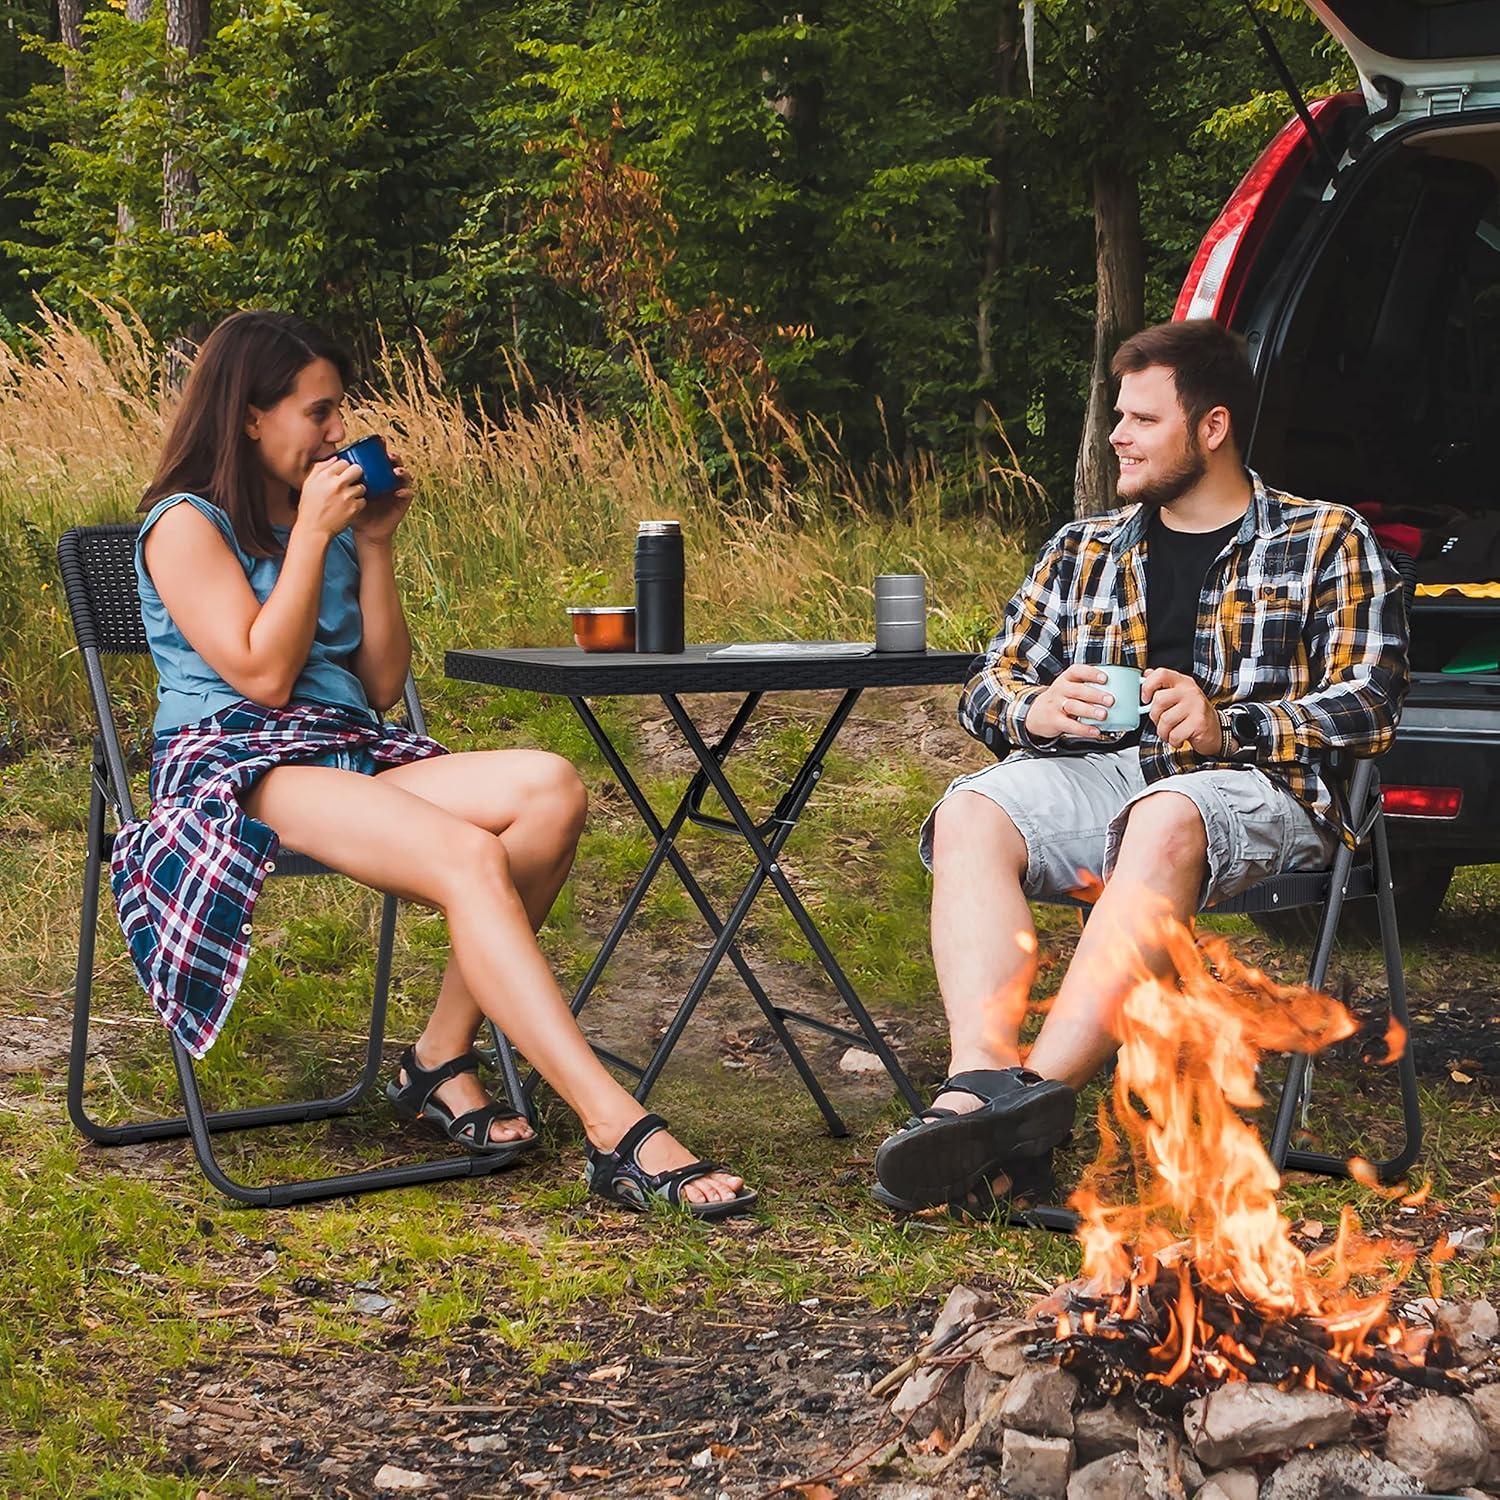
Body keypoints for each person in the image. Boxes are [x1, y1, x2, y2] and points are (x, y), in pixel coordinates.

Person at [111, 310, 754, 1219]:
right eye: (319, 412)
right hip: (239, 762)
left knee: (548, 788)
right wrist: (309, 540)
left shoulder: (322, 523)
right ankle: (615, 1126)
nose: (338, 433)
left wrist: (372, 546)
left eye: (340, 413)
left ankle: (438, 1058)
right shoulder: (186, 525)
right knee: (469, 856)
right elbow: (258, 674)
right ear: (250, 416)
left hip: (345, 750)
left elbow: (377, 684)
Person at [872, 318, 1409, 1214]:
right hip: (1107, 776)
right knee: (970, 810)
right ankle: (979, 1093)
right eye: (1117, 414)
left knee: (1167, 812)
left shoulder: (1325, 540)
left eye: (1141, 419)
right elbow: (986, 686)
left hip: (1260, 788)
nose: (1116, 434)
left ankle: (1022, 1107)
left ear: (1212, 428)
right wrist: (1031, 709)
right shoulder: (1083, 548)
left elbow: (1373, 700)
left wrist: (1228, 726)